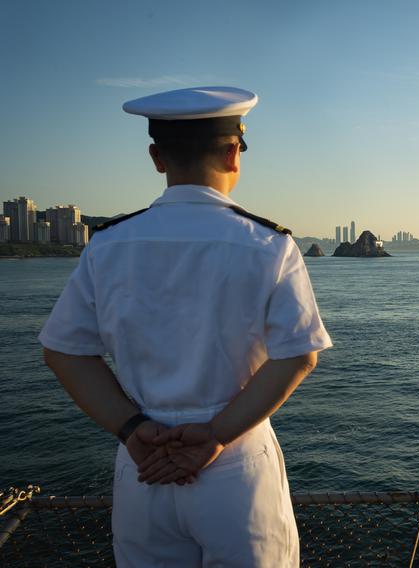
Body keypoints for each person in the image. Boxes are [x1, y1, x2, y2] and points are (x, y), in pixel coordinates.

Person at [39, 86, 332, 567]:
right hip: (236, 466)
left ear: (157, 157)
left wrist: (133, 429)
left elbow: (64, 350)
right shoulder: (267, 245)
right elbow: (299, 356)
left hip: (143, 467)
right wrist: (215, 435)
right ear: (234, 152)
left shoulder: (107, 244)